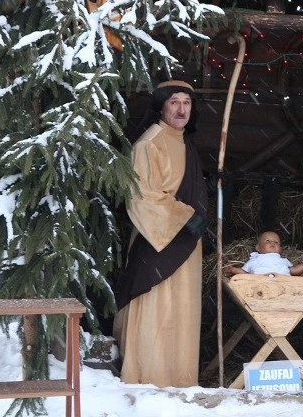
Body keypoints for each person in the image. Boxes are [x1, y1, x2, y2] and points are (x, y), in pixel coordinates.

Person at [113, 80, 210, 388]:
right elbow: (141, 195)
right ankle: (148, 375)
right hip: (159, 239)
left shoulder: (183, 141)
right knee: (158, 308)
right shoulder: (149, 143)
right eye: (174, 103)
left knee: (182, 310)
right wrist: (184, 217)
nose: (181, 109)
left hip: (186, 240)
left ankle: (179, 376)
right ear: (161, 106)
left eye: (187, 103)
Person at [225, 231, 303, 276]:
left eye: (276, 242)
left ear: (280, 249)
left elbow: (294, 271)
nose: (272, 243)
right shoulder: (255, 259)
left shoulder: (283, 260)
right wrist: (233, 270)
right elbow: (244, 272)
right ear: (258, 248)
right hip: (259, 284)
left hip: (284, 283)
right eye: (268, 241)